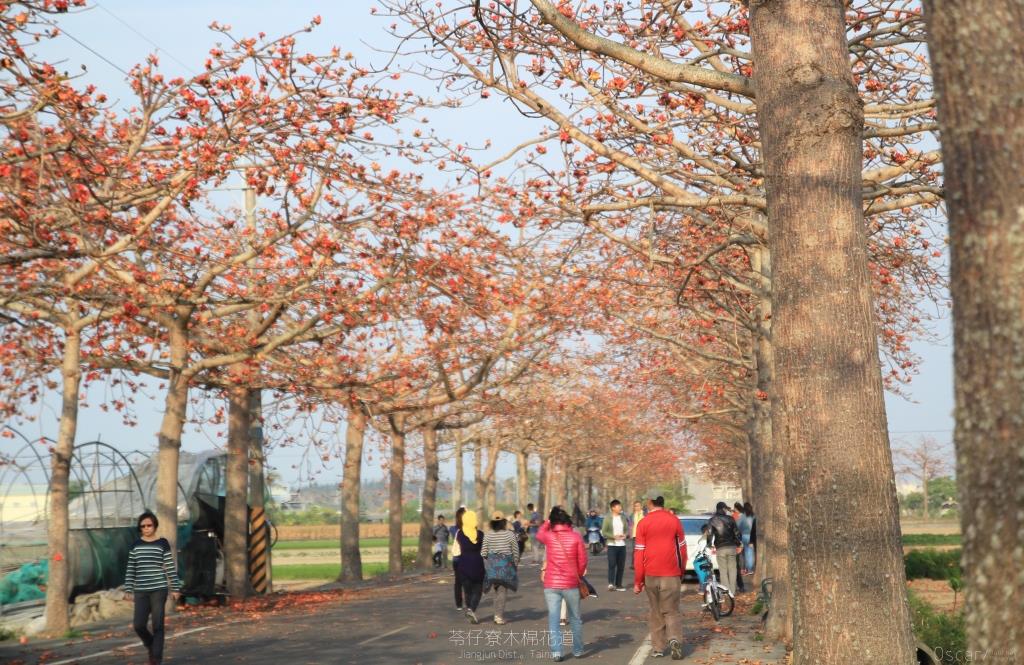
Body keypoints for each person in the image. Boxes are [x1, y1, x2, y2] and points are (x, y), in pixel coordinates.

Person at [123, 511, 182, 665]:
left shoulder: (162, 543)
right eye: (143, 526)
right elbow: (131, 568)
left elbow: (170, 566)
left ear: (155, 525)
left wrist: (175, 588)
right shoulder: (135, 545)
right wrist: (128, 589)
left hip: (159, 589)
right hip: (141, 590)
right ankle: (151, 645)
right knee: (138, 625)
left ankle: (156, 658)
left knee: (158, 625)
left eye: (149, 525)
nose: (146, 528)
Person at [633, 496, 687, 660]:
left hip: (651, 575)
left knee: (656, 611)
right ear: (663, 503)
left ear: (650, 503)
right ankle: (674, 639)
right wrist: (681, 571)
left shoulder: (643, 523)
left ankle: (657, 648)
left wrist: (638, 581)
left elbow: (639, 553)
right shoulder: (674, 520)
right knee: (671, 611)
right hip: (671, 574)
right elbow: (682, 550)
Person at [537, 506, 589, 662]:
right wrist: (578, 575)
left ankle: (557, 653)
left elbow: (539, 534)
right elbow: (583, 561)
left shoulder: (549, 536)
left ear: (553, 521)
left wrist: (547, 522)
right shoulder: (576, 537)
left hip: (551, 584)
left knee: (554, 619)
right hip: (571, 584)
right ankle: (578, 650)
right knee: (575, 618)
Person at [481, 510, 520, 625]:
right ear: (504, 522)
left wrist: (491, 560)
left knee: (496, 590)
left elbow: (483, 553)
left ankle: (496, 615)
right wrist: (515, 564)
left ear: (491, 522)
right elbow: (516, 551)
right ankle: (498, 616)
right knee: (502, 591)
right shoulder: (510, 534)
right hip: (505, 567)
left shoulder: (487, 535)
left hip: (492, 568)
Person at [455, 509, 485, 624]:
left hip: (463, 564)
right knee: (478, 589)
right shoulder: (480, 534)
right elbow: (485, 549)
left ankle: (469, 608)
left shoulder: (460, 534)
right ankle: (471, 609)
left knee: (467, 590)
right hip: (477, 564)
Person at [708, 501, 743, 596]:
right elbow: (737, 533)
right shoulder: (730, 519)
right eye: (725, 509)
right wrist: (739, 544)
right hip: (731, 547)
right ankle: (732, 591)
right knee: (732, 569)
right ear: (723, 509)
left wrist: (709, 544)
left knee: (723, 571)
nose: (726, 510)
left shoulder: (712, 520)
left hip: (720, 548)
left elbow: (710, 533)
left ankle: (726, 591)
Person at [601, 499, 629, 591]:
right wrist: (613, 536)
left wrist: (625, 535)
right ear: (613, 508)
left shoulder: (623, 517)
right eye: (618, 506)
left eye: (620, 506)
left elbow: (626, 529)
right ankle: (611, 583)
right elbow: (604, 532)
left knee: (621, 566)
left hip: (622, 545)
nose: (620, 508)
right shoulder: (607, 518)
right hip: (612, 545)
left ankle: (619, 584)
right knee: (612, 564)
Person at [451, 507, 466, 610]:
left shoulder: (453, 529)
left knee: (458, 581)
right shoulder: (467, 529)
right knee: (468, 580)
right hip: (465, 556)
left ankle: (459, 604)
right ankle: (469, 602)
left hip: (456, 557)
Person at [738, 502, 756, 575]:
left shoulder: (743, 516)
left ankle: (748, 569)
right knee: (751, 553)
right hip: (753, 536)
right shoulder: (754, 516)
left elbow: (738, 526)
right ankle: (750, 569)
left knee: (746, 553)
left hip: (745, 536)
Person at [628, 500, 645, 569]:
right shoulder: (632, 515)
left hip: (643, 535)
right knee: (635, 550)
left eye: (638, 506)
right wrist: (630, 533)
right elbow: (630, 525)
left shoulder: (645, 514)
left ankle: (644, 564)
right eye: (635, 506)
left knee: (644, 550)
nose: (637, 507)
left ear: (641, 506)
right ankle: (633, 564)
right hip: (635, 535)